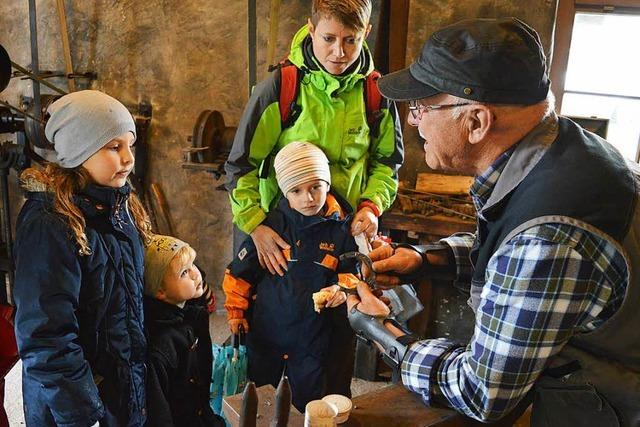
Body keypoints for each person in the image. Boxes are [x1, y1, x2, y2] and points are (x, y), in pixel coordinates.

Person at [346, 17, 640, 426]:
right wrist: (426, 260)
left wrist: (384, 332)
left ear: (478, 121)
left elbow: (481, 391)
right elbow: (516, 256)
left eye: (422, 107)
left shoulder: (550, 238)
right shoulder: (569, 151)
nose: (413, 121)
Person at [225, 0, 404, 276]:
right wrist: (254, 225)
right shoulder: (281, 88)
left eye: (350, 40)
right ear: (311, 29)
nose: (339, 52)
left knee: (337, 312)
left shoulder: (376, 94)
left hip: (343, 234)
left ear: (366, 33)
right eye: (328, 38)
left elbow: (387, 163)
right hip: (280, 237)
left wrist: (371, 207)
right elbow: (241, 165)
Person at [13, 90, 152, 426]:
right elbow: (46, 336)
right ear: (79, 151)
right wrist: (83, 415)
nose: (128, 158)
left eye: (129, 145)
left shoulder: (118, 206)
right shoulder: (50, 223)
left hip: (118, 392)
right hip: (74, 407)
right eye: (114, 147)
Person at [223, 142, 361, 411]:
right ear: (285, 192)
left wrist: (341, 290)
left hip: (314, 337)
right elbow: (239, 275)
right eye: (296, 190)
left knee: (309, 401)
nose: (308, 198)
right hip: (267, 331)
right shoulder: (270, 228)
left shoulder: (342, 229)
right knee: (261, 396)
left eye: (315, 187)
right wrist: (236, 313)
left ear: (328, 183)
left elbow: (354, 273)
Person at [143, 234, 224, 427]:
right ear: (160, 291)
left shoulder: (189, 313)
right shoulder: (161, 346)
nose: (196, 274)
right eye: (183, 273)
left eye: (192, 264)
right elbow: (159, 413)